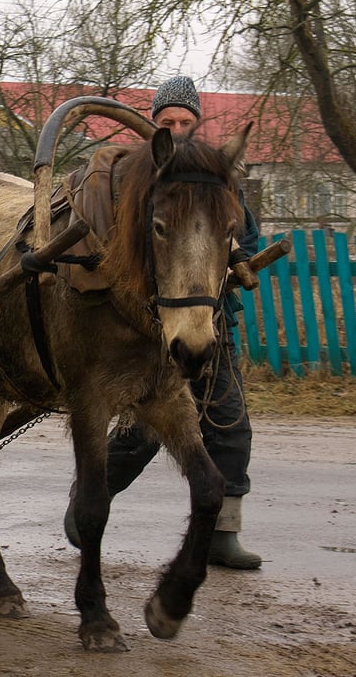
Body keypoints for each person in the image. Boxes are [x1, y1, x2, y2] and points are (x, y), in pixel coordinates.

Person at [63, 75, 263, 570]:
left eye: (185, 121)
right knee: (144, 431)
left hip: (210, 326)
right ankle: (88, 500)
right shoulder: (134, 184)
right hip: (147, 333)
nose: (176, 128)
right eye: (167, 121)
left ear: (197, 125)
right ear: (153, 127)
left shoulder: (219, 182)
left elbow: (248, 240)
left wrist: (233, 264)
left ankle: (223, 532)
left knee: (229, 425)